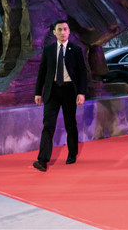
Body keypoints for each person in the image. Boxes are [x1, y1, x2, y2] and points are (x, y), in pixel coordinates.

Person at [33, 20, 87, 171]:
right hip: (52, 92)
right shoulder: (49, 50)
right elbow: (42, 72)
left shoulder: (75, 49)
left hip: (70, 91)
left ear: (69, 32)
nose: (63, 32)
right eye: (59, 30)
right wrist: (38, 92)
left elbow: (83, 72)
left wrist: (81, 92)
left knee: (70, 124)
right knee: (48, 125)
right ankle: (42, 160)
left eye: (65, 29)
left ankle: (72, 153)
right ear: (54, 32)